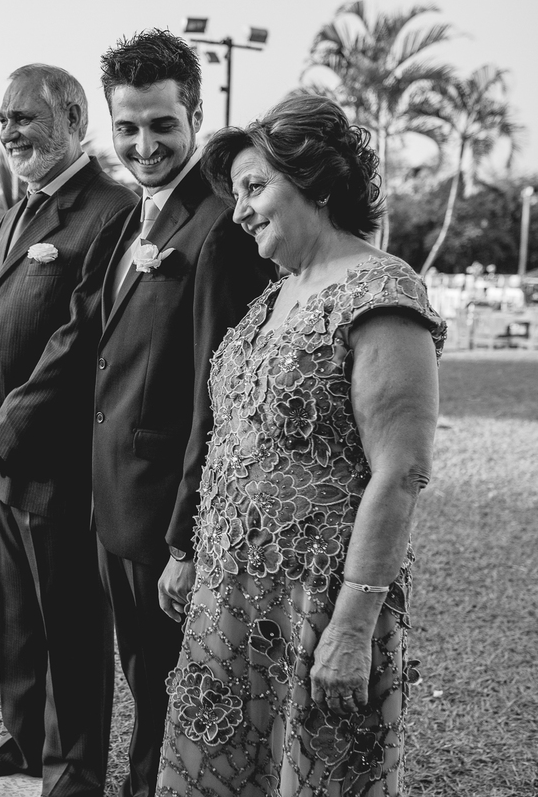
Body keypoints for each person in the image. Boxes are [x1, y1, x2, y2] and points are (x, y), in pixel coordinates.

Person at [154, 93, 446, 796]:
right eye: (235, 195)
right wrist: (191, 553)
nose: (240, 210)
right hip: (231, 595)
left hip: (316, 603)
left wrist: (352, 626)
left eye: (255, 187)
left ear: (315, 182)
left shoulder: (381, 291)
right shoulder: (276, 293)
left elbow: (401, 471)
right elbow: (237, 438)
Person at [89, 30, 276, 797]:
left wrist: (187, 541)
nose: (144, 145)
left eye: (162, 124)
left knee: (177, 711)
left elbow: (221, 397)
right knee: (148, 695)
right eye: (127, 127)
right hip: (118, 510)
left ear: (195, 116)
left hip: (166, 520)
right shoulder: (138, 218)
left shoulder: (220, 227)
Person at [0, 64, 137, 796]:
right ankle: (27, 742)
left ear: (74, 118)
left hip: (58, 458)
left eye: (24, 116)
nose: (8, 130)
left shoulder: (112, 210)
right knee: (20, 615)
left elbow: (80, 339)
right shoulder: (18, 211)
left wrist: (7, 429)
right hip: (0, 455)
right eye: (3, 118)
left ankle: (74, 771)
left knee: (70, 622)